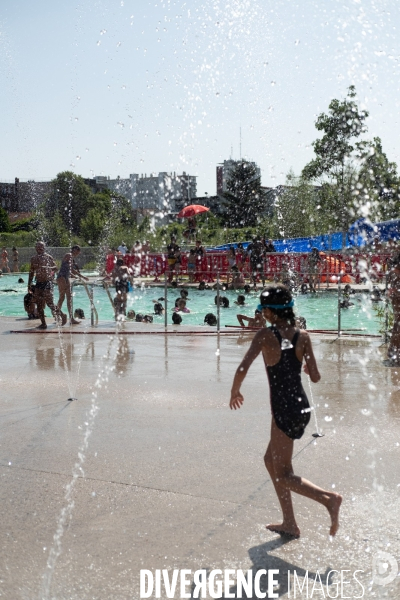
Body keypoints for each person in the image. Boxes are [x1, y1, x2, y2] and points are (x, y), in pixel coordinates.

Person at [230, 284, 342, 537]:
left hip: (284, 410)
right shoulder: (303, 336)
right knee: (271, 462)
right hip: (301, 406)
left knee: (282, 474)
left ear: (271, 311)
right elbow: (315, 377)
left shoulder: (265, 336)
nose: (262, 314)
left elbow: (241, 368)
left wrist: (234, 392)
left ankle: (328, 499)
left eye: (264, 310)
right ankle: (289, 523)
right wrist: (303, 367)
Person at [28, 242, 67, 329]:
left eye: (41, 247)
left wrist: (49, 268)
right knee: (39, 304)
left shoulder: (48, 257)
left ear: (44, 248)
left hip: (47, 282)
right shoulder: (33, 259)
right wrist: (29, 284)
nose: (40, 248)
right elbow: (31, 272)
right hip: (38, 283)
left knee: (50, 303)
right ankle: (43, 323)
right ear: (35, 248)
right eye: (38, 247)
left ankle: (62, 315)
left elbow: (56, 268)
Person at [57, 245, 89, 324]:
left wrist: (75, 276)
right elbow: (71, 269)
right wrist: (82, 276)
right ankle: (58, 315)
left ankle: (70, 318)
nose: (78, 253)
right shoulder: (69, 255)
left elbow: (68, 269)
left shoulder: (70, 257)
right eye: (78, 251)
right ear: (75, 250)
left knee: (68, 298)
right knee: (62, 297)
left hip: (65, 278)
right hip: (61, 278)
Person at [386, 254, 400, 365]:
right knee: (397, 326)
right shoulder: (395, 273)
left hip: (396, 300)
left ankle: (393, 352)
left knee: (397, 326)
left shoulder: (394, 272)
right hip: (397, 300)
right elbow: (394, 290)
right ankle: (394, 353)